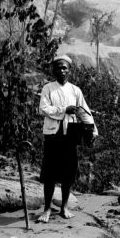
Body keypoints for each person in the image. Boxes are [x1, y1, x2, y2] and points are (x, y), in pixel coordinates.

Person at [37, 55, 98, 223]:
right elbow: (43, 109)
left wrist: (93, 131)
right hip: (53, 134)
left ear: (69, 71)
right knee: (50, 173)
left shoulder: (75, 90)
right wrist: (64, 109)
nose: (62, 71)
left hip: (70, 135)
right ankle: (47, 208)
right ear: (53, 70)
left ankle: (64, 206)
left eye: (65, 68)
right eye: (58, 68)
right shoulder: (48, 88)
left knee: (68, 173)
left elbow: (84, 112)